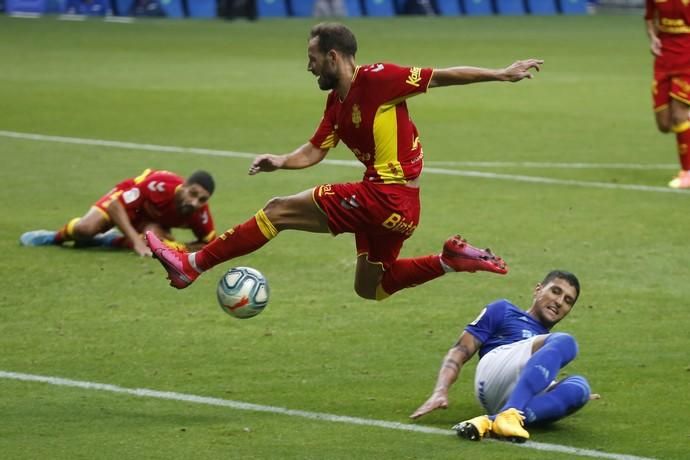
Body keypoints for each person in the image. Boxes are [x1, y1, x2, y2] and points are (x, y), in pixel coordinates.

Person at [146, 22, 544, 299]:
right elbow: (315, 150)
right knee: (371, 288)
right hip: (402, 209)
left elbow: (441, 76)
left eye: (312, 58)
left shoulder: (378, 78)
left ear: (333, 57)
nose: (308, 66)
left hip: (384, 196)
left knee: (278, 211)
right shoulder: (335, 103)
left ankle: (193, 264)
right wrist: (280, 160)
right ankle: (449, 261)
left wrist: (501, 74)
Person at [410, 270, 599, 443]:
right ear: (538, 290)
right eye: (555, 291)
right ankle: (509, 414)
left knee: (580, 388)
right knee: (567, 342)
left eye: (568, 301)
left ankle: (491, 421)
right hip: (494, 369)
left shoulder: (547, 345)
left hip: (513, 392)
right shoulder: (504, 310)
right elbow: (460, 350)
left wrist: (562, 392)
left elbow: (536, 368)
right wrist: (440, 390)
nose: (559, 302)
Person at [20, 169, 216, 257]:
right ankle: (53, 237)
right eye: (192, 194)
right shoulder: (157, 186)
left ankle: (107, 240)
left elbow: (209, 244)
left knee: (155, 243)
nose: (194, 202)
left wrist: (176, 248)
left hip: (150, 220)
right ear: (183, 187)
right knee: (85, 229)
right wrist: (137, 242)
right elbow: (115, 206)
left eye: (202, 199)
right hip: (125, 203)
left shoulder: (200, 214)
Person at [645, 0, 690, 189]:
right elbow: (649, 17)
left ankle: (687, 172)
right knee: (664, 123)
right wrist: (652, 37)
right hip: (664, 59)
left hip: (687, 57)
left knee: (679, 115)